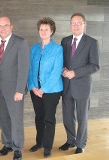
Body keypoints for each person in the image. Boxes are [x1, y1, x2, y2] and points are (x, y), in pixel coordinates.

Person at [60, 13, 100, 154]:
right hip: (66, 85)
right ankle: (70, 140)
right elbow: (62, 61)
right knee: (67, 115)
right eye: (73, 23)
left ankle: (80, 143)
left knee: (82, 117)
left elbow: (94, 65)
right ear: (70, 25)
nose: (76, 26)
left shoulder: (91, 42)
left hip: (82, 85)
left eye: (79, 23)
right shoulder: (64, 41)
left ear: (84, 25)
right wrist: (63, 69)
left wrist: (75, 73)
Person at [0, 16, 29, 160]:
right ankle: (7, 143)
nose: (3, 28)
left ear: (11, 27)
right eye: (0, 26)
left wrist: (20, 90)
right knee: (3, 118)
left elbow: (24, 68)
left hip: (14, 90)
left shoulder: (20, 43)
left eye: (6, 25)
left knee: (16, 119)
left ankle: (17, 147)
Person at [27, 17, 63, 158]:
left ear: (51, 31)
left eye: (46, 29)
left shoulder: (58, 49)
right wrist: (33, 87)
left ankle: (47, 147)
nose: (43, 32)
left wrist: (44, 89)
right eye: (41, 29)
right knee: (39, 117)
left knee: (49, 118)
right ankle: (39, 142)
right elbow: (30, 69)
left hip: (51, 91)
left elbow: (56, 72)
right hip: (35, 90)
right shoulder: (34, 48)